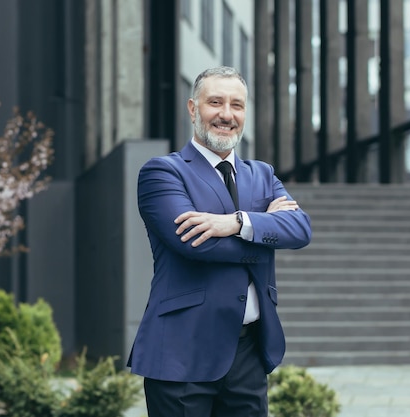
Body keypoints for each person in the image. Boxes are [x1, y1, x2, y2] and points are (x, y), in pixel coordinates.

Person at [127, 66, 312, 417]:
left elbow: (300, 229)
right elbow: (195, 244)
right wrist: (265, 232)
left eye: (237, 105)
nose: (227, 115)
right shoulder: (163, 172)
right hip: (182, 352)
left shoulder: (263, 174)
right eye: (215, 102)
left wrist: (236, 223)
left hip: (248, 354)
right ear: (193, 109)